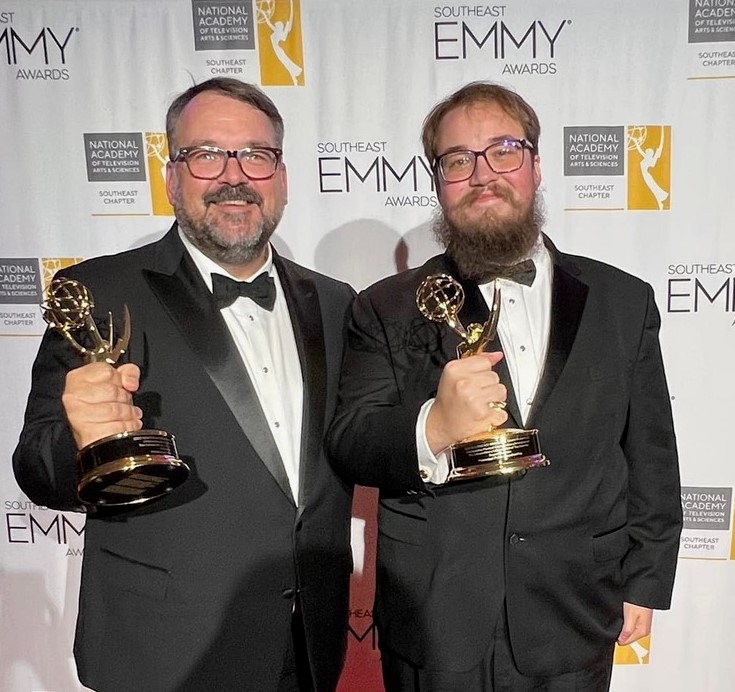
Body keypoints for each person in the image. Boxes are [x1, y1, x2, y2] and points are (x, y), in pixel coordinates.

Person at [327, 81, 682, 691]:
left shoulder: (623, 301)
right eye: (457, 159)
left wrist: (646, 577)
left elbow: (649, 452)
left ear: (536, 166)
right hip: (436, 613)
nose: (482, 173)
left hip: (576, 606)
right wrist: (432, 429)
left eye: (503, 151)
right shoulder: (386, 307)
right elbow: (351, 440)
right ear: (437, 181)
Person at [13, 77, 355, 692]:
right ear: (170, 177)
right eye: (206, 155)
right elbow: (37, 468)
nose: (235, 175)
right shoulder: (98, 293)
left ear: (281, 175)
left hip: (305, 647)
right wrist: (83, 444)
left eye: (256, 154)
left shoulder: (334, 302)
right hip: (163, 652)